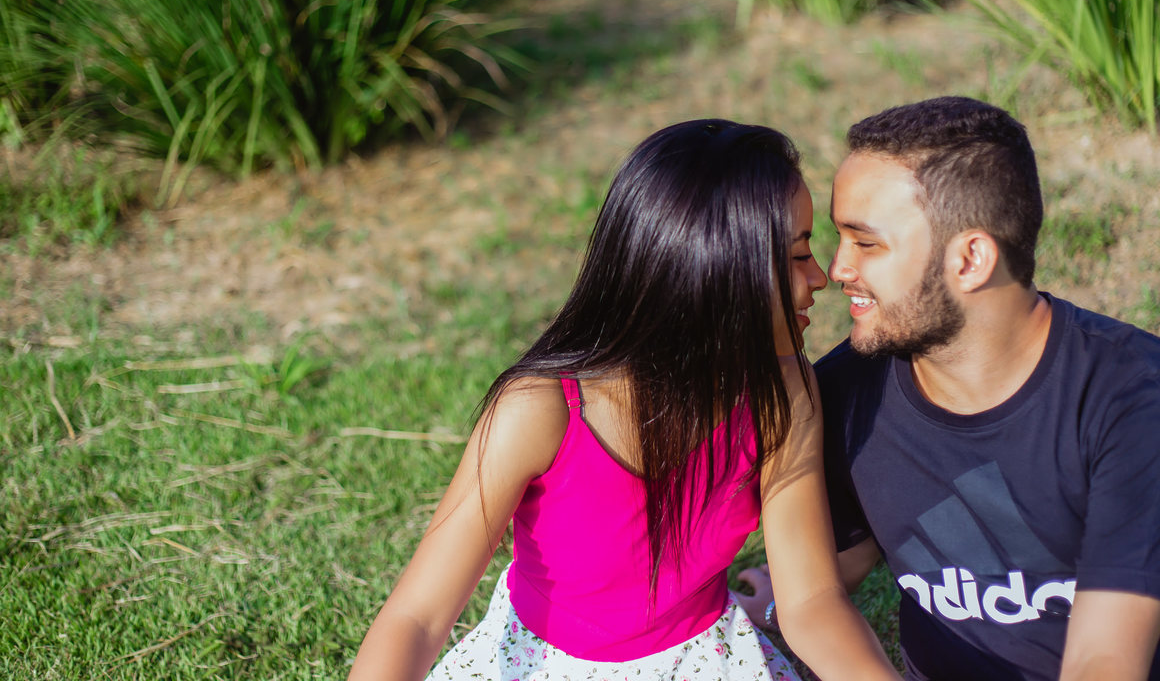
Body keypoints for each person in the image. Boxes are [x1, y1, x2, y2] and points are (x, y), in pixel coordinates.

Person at [347, 119, 901, 681]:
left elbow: (810, 603)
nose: (821, 277)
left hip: (703, 662)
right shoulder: (540, 410)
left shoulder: (783, 393)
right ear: (715, 274)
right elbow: (418, 616)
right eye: (798, 255)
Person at [738, 97, 1160, 680]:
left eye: (866, 242)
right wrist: (775, 605)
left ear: (972, 258)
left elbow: (1103, 662)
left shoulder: (1132, 395)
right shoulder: (848, 392)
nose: (835, 269)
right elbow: (827, 577)